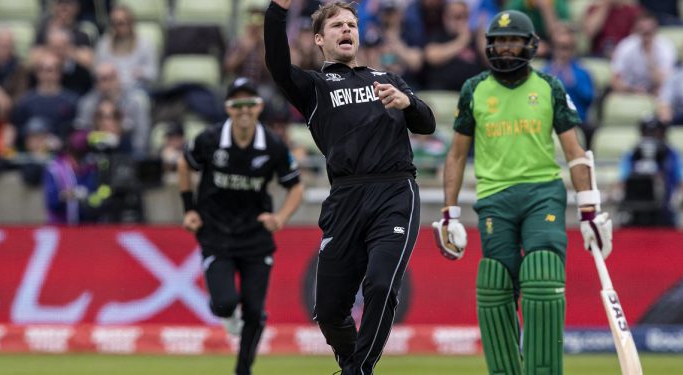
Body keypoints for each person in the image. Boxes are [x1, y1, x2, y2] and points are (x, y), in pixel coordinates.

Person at [435, 10, 612, 375]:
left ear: (529, 44)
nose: (505, 48)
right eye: (499, 41)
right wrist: (449, 213)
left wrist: (590, 210)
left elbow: (575, 154)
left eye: (512, 40)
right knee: (495, 283)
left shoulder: (549, 86)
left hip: (542, 193)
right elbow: (455, 155)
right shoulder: (475, 89)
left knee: (542, 274)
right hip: (494, 197)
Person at [264, 2, 436, 374]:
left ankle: (358, 371)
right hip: (345, 196)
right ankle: (350, 364)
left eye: (352, 24)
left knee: (380, 284)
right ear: (319, 39)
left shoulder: (388, 79)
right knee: (327, 310)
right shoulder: (314, 86)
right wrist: (277, 10)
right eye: (338, 25)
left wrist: (408, 103)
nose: (347, 29)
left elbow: (427, 124)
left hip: (394, 191)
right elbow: (277, 66)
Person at [177, 77, 303, 375]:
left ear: (259, 107)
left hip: (255, 236)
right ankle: (226, 313)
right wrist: (189, 210)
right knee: (223, 304)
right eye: (237, 104)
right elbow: (185, 164)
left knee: (255, 312)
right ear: (228, 108)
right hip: (216, 232)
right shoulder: (209, 139)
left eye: (250, 104)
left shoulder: (272, 145)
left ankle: (243, 370)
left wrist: (280, 218)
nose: (244, 110)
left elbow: (295, 187)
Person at [617, 118, 683, 228]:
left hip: (664, 209)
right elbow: (622, 178)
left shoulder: (672, 154)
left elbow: (681, 178)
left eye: (656, 133)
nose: (651, 137)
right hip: (635, 208)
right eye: (647, 133)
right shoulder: (632, 154)